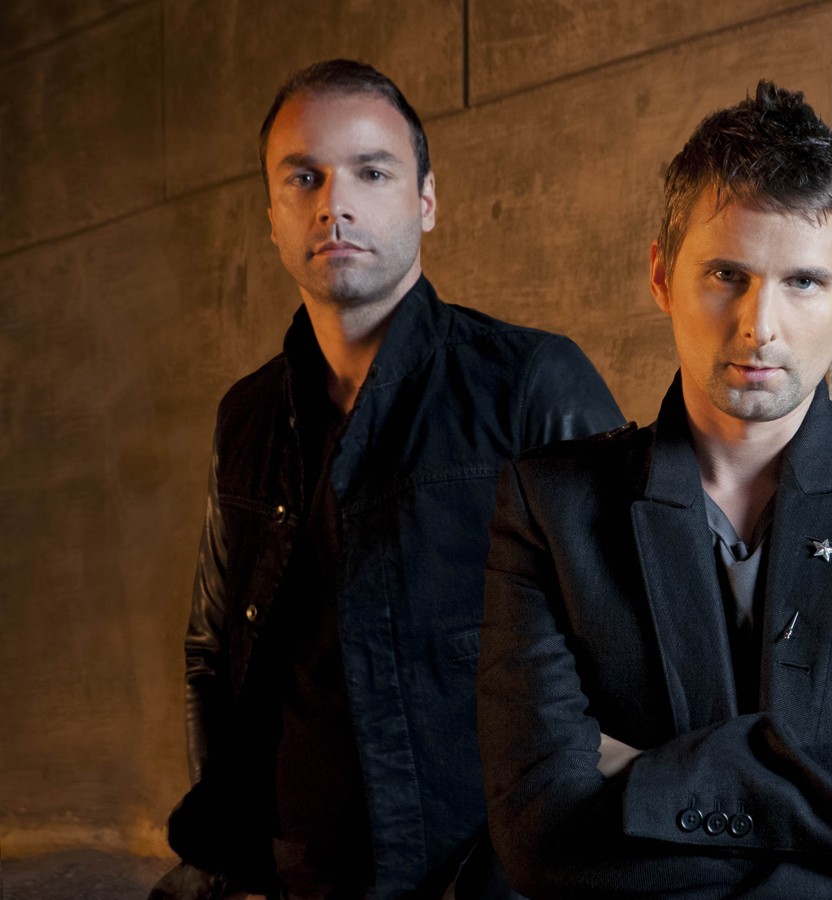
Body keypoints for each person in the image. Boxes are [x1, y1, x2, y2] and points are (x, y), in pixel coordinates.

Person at [477, 81, 832, 898]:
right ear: (662, 275)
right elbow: (543, 834)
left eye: (804, 282)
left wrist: (653, 780)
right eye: (726, 273)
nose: (759, 325)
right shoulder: (550, 505)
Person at [151, 59, 623, 900]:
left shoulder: (534, 384)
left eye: (372, 172)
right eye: (304, 177)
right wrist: (235, 865)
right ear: (271, 213)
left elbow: (624, 670)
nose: (334, 204)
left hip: (474, 881)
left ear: (426, 200)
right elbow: (212, 652)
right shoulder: (247, 415)